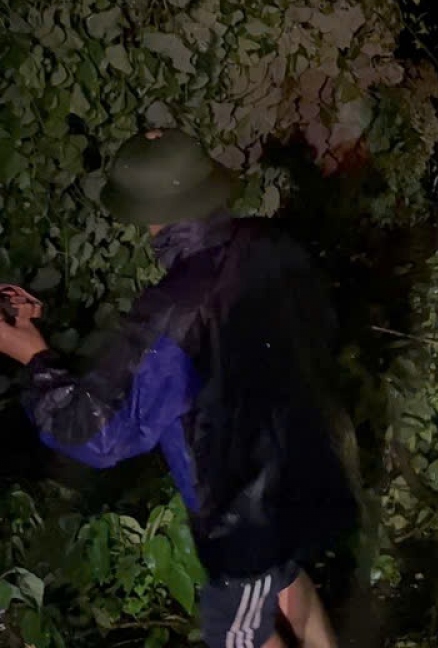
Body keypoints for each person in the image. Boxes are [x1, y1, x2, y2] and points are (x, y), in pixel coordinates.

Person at [0, 129, 356, 648]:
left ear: (145, 214)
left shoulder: (174, 308)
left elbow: (101, 435)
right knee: (287, 585)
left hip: (242, 511)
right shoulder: (268, 242)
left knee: (237, 632)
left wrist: (34, 358)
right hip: (303, 468)